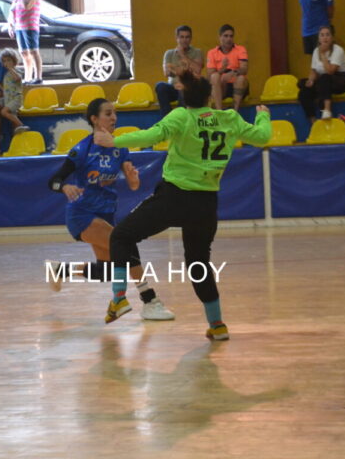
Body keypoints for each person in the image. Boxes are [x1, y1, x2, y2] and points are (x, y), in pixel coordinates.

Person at [93, 71, 272, 340]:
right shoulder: (230, 119)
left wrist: (113, 141)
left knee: (121, 236)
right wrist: (263, 114)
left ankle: (119, 298)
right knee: (198, 264)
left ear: (184, 100)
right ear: (210, 98)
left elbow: (150, 135)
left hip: (174, 197)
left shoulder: (181, 117)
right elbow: (262, 137)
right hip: (206, 204)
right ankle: (217, 324)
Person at [46, 98, 175, 322]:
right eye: (108, 113)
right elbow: (54, 180)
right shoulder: (82, 149)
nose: (114, 118)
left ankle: (60, 270)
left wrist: (134, 178)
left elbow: (133, 184)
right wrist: (64, 186)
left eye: (115, 113)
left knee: (106, 271)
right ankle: (150, 301)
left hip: (106, 213)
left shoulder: (119, 147)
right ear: (94, 119)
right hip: (82, 213)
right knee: (125, 245)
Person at [297, 26, 345, 123]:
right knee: (303, 87)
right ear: (319, 38)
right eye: (322, 35)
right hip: (323, 81)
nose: (325, 38)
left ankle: (327, 110)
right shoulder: (315, 51)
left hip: (340, 80)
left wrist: (322, 55)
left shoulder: (338, 50)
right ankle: (312, 120)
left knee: (325, 78)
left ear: (332, 38)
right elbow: (314, 70)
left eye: (327, 35)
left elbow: (330, 71)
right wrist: (311, 80)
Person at [155, 25, 203, 117]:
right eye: (181, 37)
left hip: (189, 89)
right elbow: (166, 72)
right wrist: (185, 70)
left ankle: (179, 118)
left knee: (184, 87)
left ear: (191, 38)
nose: (184, 40)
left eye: (187, 37)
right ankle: (167, 119)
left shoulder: (197, 52)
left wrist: (182, 56)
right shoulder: (169, 53)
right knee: (160, 86)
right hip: (173, 87)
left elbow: (197, 70)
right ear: (177, 38)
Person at [8, 0, 43, 84]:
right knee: (24, 53)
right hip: (19, 26)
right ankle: (28, 78)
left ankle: (38, 77)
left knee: (33, 51)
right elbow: (13, 9)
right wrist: (10, 24)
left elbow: (27, 6)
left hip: (30, 26)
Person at [206, 24, 249, 110]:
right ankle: (219, 110)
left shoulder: (240, 49)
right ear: (220, 37)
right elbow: (209, 76)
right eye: (225, 36)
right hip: (221, 86)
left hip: (238, 84)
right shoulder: (212, 52)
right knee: (215, 76)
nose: (229, 39)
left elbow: (244, 69)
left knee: (241, 78)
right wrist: (222, 70)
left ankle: (235, 111)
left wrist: (233, 73)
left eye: (231, 36)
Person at [0, 48, 29, 135]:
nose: (6, 63)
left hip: (16, 99)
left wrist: (10, 68)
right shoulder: (7, 75)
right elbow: (6, 90)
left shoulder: (16, 71)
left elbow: (17, 78)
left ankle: (21, 125)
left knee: (4, 112)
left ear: (14, 61)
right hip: (9, 99)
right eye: (4, 61)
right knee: (13, 125)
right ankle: (18, 135)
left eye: (9, 60)